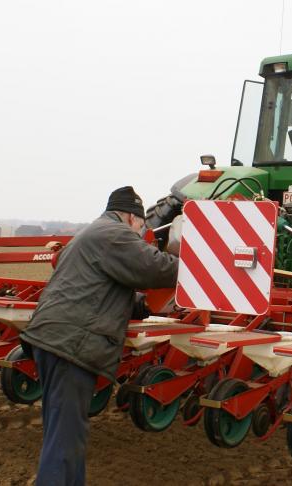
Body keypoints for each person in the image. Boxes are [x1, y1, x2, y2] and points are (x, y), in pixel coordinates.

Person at [20, 186, 179, 486]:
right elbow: (154, 267)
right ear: (131, 218)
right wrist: (201, 267)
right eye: (142, 225)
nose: (142, 231)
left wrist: (142, 306)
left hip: (52, 339)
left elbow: (95, 290)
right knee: (65, 440)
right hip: (70, 346)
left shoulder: (89, 234)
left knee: (65, 433)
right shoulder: (114, 235)